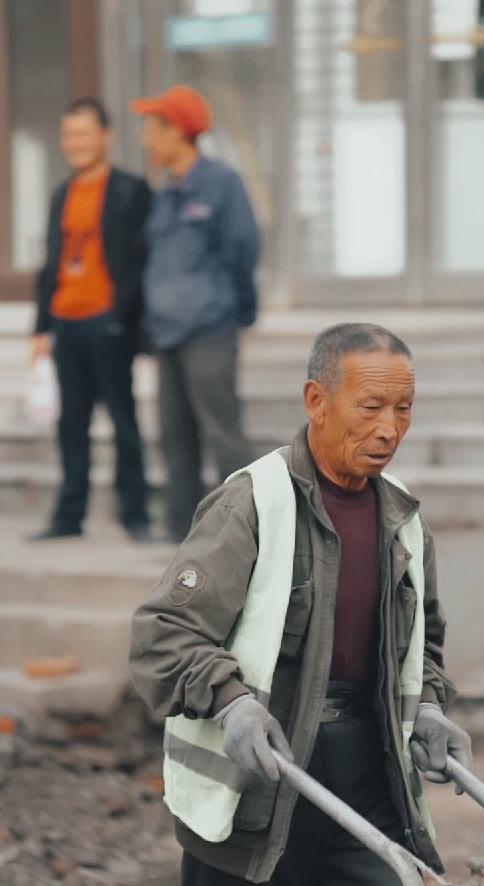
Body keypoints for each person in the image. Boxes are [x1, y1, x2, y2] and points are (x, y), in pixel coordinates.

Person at [129, 320, 479, 886]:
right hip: (258, 800)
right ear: (316, 401)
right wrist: (230, 698)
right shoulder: (252, 503)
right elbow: (161, 635)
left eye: (404, 408)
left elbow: (422, 639)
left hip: (361, 795)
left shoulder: (403, 521)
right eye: (370, 407)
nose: (389, 429)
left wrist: (428, 705)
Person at [131, 84, 259, 545]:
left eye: (152, 130)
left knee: (223, 433)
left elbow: (242, 249)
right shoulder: (165, 195)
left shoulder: (220, 184)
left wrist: (238, 310)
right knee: (174, 438)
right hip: (168, 335)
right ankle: (181, 533)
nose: (147, 141)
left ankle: (247, 529)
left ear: (177, 131)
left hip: (209, 328)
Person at [30, 97, 151, 545]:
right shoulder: (61, 194)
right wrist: (41, 329)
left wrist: (121, 314)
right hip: (66, 322)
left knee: (123, 421)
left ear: (106, 136)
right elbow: (51, 265)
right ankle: (69, 517)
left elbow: (141, 262)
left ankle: (135, 514)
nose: (75, 143)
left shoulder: (130, 191)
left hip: (108, 322)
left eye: (83, 133)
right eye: (68, 135)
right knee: (71, 425)